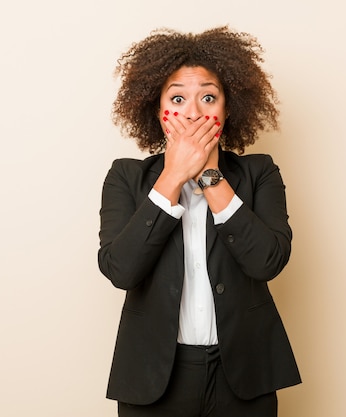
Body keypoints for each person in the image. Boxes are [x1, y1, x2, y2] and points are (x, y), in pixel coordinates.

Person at [98, 25, 301, 417]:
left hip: (244, 376)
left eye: (208, 97)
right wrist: (173, 176)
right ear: (158, 112)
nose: (193, 113)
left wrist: (210, 176)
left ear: (228, 109)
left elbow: (267, 261)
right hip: (154, 380)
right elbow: (121, 270)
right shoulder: (125, 177)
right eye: (178, 98)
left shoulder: (260, 173)